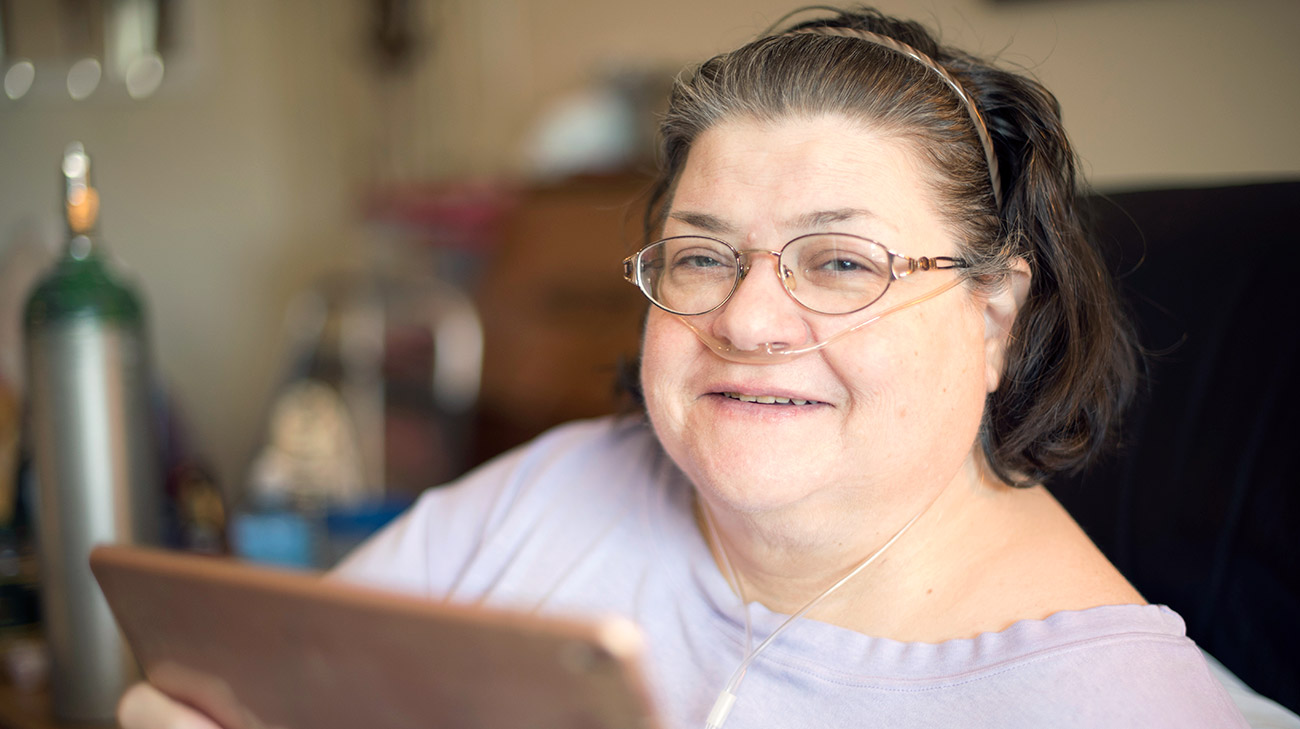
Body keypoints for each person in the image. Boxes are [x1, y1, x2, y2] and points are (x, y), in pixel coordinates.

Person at [120, 6, 1264, 728]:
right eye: (704, 256)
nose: (747, 318)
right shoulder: (552, 490)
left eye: (838, 262)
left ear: (994, 316)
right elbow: (253, 688)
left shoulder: (1108, 706)